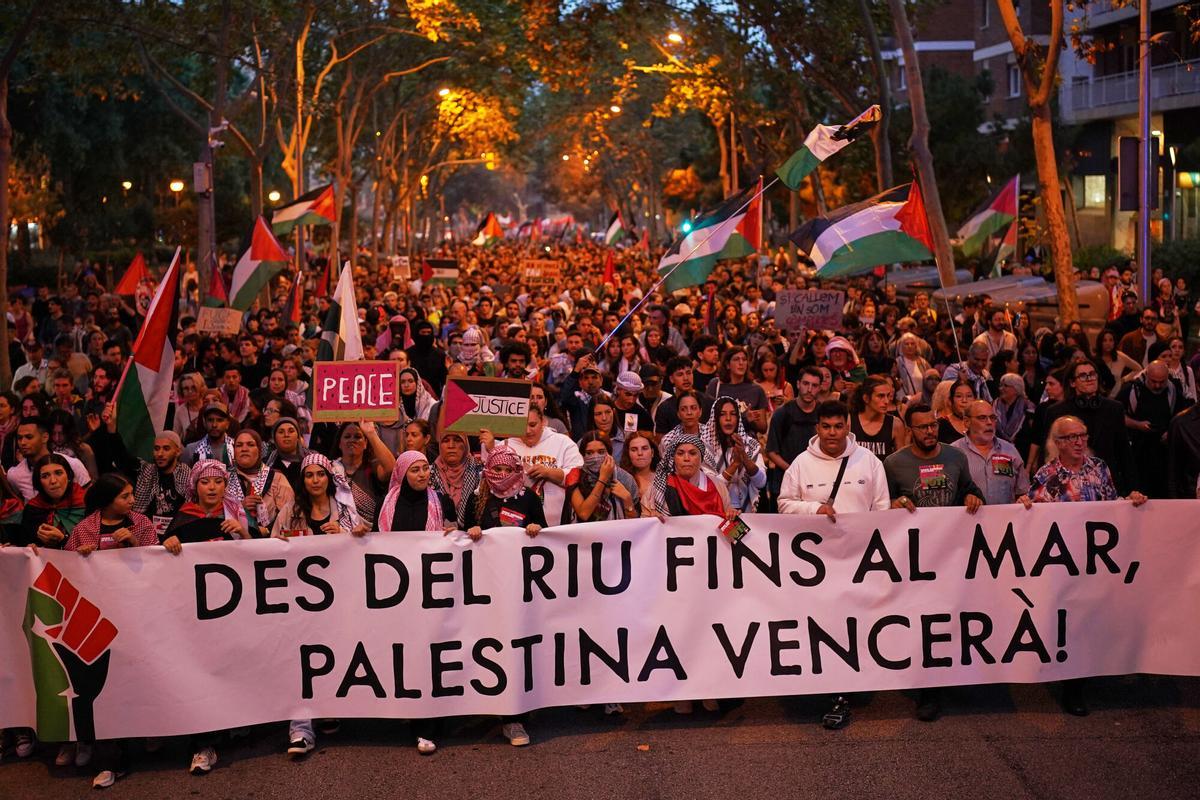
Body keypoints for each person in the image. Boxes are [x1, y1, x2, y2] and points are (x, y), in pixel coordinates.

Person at [777, 398, 889, 730]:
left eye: (838, 426)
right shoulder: (800, 463)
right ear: (817, 428)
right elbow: (783, 505)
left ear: (847, 427)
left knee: (855, 625)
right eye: (826, 426)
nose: (832, 433)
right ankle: (833, 691)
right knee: (824, 626)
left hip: (859, 562)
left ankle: (852, 683)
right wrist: (814, 510)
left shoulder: (868, 461)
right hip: (815, 567)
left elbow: (882, 508)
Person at [1028, 415, 1148, 716]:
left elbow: (1111, 505)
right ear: (1057, 444)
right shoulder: (1048, 475)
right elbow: (1037, 519)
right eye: (1071, 437)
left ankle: (1090, 674)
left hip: (1096, 562)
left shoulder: (1100, 468)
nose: (1079, 441)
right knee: (1072, 623)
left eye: (1082, 435)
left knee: (1093, 619)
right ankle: (1073, 689)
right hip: (1066, 564)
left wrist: (1129, 502)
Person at [885, 402, 984, 723]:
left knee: (950, 619)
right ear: (909, 430)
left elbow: (970, 489)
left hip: (952, 556)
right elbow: (880, 506)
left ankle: (948, 679)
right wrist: (894, 503)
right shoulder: (894, 463)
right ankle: (928, 689)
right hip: (913, 561)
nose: (930, 431)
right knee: (923, 623)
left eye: (934, 425)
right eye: (923, 427)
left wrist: (974, 498)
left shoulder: (955, 457)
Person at [1043, 360, 1133, 493]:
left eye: (1092, 374)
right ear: (1072, 382)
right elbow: (1049, 453)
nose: (1089, 379)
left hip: (1108, 485)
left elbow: (1124, 451)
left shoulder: (1114, 408)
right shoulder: (1056, 412)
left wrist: (1132, 489)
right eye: (1083, 376)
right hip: (1069, 488)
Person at [485, 406, 583, 528]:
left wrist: (548, 472)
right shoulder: (506, 444)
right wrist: (490, 448)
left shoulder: (563, 442)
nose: (527, 431)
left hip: (560, 526)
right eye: (522, 426)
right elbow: (491, 480)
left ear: (543, 422)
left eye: (532, 425)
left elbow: (578, 476)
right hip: (516, 526)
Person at [1118, 360, 1187, 498]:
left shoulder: (1173, 390)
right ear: (1146, 375)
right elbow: (1117, 417)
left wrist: (1171, 432)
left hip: (1165, 454)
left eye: (1162, 382)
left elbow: (1182, 417)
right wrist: (1137, 425)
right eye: (1153, 381)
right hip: (1138, 453)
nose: (1157, 386)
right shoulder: (1131, 390)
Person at [952, 400, 1031, 507]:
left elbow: (1022, 492)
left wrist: (1023, 500)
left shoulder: (1010, 450)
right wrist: (964, 498)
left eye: (993, 418)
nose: (989, 422)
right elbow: (945, 497)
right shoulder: (954, 452)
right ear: (967, 422)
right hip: (967, 521)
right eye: (982, 418)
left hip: (1005, 520)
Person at [700, 396, 766, 512]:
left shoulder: (751, 445)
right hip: (716, 511)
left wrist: (744, 457)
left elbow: (761, 482)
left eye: (733, 414)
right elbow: (712, 487)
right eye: (723, 414)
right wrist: (735, 464)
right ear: (715, 418)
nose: (728, 418)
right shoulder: (705, 448)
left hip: (748, 512)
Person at [14, 453, 88, 548]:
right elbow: (23, 543)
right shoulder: (32, 509)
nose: (53, 481)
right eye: (45, 476)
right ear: (39, 482)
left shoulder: (86, 504)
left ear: (69, 476)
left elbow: (94, 545)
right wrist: (32, 546)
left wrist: (62, 539)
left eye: (58, 473)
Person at [8, 416, 91, 500]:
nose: (23, 442)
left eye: (29, 437)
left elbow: (90, 501)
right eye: (19, 438)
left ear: (45, 437)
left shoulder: (73, 464)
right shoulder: (15, 474)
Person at [232, 429, 295, 537]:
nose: (244, 449)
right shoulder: (224, 479)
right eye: (239, 445)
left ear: (259, 450)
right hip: (234, 545)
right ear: (233, 451)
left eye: (250, 445)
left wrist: (268, 531)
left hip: (271, 545)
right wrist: (240, 508)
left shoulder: (277, 478)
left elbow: (291, 518)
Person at [565, 431, 639, 522]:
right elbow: (583, 514)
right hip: (585, 534)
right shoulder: (575, 476)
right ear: (582, 455)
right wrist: (603, 478)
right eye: (589, 453)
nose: (595, 457)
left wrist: (627, 500)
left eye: (601, 452)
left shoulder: (625, 478)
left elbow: (635, 523)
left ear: (610, 453)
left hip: (618, 534)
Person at [849, 375, 905, 460]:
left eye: (888, 395)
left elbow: (901, 462)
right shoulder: (849, 421)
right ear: (866, 398)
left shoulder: (895, 424)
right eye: (881, 396)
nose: (886, 401)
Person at [618, 431, 659, 515]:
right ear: (628, 454)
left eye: (644, 448)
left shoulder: (664, 479)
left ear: (652, 453)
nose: (640, 453)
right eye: (634, 450)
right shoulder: (621, 480)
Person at [936, 379, 975, 444]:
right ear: (951, 401)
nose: (964, 400)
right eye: (959, 396)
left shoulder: (982, 422)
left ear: (975, 399)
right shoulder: (941, 424)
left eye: (969, 396)